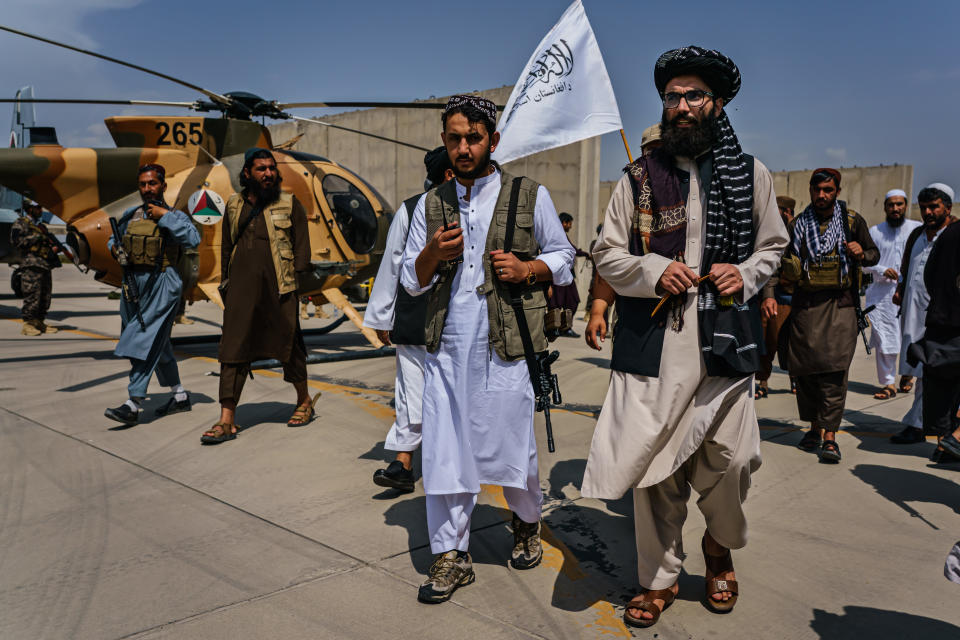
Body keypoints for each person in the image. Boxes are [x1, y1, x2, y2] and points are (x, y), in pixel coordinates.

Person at [581, 47, 788, 628]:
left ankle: (718, 546)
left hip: (726, 342)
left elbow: (772, 247)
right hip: (657, 345)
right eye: (672, 97)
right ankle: (658, 577)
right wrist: (651, 272)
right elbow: (607, 253)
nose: (681, 107)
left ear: (716, 104)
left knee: (734, 458)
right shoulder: (638, 178)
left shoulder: (752, 175)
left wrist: (742, 273)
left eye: (693, 95)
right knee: (655, 472)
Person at [400, 94, 574, 603]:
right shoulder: (432, 204)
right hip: (447, 348)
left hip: (509, 346)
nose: (463, 147)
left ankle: (525, 521)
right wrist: (433, 251)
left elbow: (562, 254)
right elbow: (412, 281)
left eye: (473, 138)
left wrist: (527, 269)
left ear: (492, 141)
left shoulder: (527, 194)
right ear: (444, 142)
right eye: (454, 138)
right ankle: (451, 554)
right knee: (446, 450)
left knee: (513, 442)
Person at [201, 149, 315, 444]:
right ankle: (227, 420)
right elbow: (226, 247)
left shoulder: (290, 203)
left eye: (271, 169)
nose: (268, 174)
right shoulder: (234, 205)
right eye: (261, 169)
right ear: (248, 174)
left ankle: (304, 401)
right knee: (232, 351)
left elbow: (302, 249)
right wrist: (226, 284)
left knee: (289, 345)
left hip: (280, 288)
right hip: (240, 290)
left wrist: (297, 285)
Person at [364, 146, 453, 493]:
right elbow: (393, 262)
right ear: (448, 175)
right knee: (411, 392)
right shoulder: (411, 208)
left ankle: (445, 463)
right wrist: (383, 317)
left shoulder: (479, 208)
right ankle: (403, 463)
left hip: (460, 324)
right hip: (417, 318)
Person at [781, 168, 879, 461]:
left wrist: (861, 252)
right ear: (810, 191)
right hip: (806, 306)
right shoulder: (797, 225)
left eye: (828, 190)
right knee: (806, 371)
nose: (822, 195)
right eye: (817, 190)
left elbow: (874, 254)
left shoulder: (852, 221)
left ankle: (830, 435)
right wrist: (770, 298)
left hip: (840, 305)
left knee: (834, 372)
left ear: (837, 191)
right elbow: (781, 262)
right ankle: (813, 428)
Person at [104, 165, 201, 426]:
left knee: (143, 339)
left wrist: (163, 216)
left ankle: (133, 403)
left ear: (163, 186)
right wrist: (115, 250)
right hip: (133, 283)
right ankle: (179, 395)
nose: (147, 189)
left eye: (152, 184)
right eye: (143, 185)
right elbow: (114, 239)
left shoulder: (174, 215)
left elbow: (193, 239)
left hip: (163, 282)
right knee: (157, 342)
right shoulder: (131, 214)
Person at [891, 183, 956, 445]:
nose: (928, 212)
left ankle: (919, 425)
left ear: (948, 208)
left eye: (934, 207)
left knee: (934, 373)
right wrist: (901, 288)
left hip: (943, 319)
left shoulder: (954, 235)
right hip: (913, 313)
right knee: (919, 370)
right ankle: (931, 427)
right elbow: (908, 267)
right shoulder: (917, 234)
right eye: (924, 207)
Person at [864, 189, 921, 401]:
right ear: (885, 207)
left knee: (911, 335)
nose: (895, 208)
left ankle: (908, 373)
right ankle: (888, 383)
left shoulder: (916, 229)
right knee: (885, 339)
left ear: (906, 205)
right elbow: (863, 263)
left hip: (911, 292)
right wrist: (881, 269)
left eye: (899, 204)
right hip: (882, 295)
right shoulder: (875, 232)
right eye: (891, 205)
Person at [915, 207, 960, 461]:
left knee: (944, 389)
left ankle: (945, 446)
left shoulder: (949, 234)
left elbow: (929, 275)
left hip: (942, 321)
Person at [756, 195, 797, 398]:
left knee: (791, 343)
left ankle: (794, 379)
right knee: (768, 341)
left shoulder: (796, 230)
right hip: (769, 295)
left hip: (790, 296)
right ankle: (763, 381)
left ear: (787, 212)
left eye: (779, 210)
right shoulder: (767, 228)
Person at [10, 199, 64, 336]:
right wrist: (37, 238)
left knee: (45, 296)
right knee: (32, 295)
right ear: (30, 209)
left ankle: (39, 321)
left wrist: (54, 249)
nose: (41, 210)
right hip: (31, 264)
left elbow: (47, 244)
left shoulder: (41, 227)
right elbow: (16, 241)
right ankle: (28, 324)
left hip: (45, 264)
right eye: (38, 207)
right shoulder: (20, 223)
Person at [548, 212, 586, 337]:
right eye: (569, 223)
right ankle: (556, 328)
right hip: (559, 275)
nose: (570, 226)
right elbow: (572, 249)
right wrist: (586, 254)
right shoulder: (557, 234)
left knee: (570, 302)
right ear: (564, 223)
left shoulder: (559, 234)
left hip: (564, 274)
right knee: (559, 304)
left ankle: (563, 328)